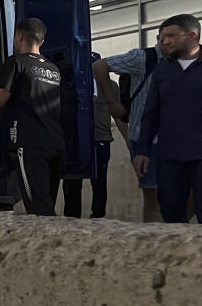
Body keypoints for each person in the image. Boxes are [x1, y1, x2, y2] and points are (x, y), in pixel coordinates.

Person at [0, 18, 63, 216]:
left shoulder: (16, 62)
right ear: (42, 40)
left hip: (30, 144)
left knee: (37, 209)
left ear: (19, 36)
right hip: (56, 142)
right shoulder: (53, 69)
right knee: (47, 203)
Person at [133, 14, 202, 224]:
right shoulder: (162, 69)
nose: (164, 41)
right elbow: (151, 113)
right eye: (162, 37)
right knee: (171, 211)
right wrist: (142, 150)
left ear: (192, 35)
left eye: (170, 36)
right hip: (169, 155)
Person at [92, 38, 165, 222]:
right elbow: (119, 112)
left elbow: (119, 116)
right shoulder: (143, 59)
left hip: (109, 137)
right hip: (141, 139)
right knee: (152, 197)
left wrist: (126, 139)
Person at [62, 75, 117, 218]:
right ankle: (72, 217)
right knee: (73, 181)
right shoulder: (71, 84)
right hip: (77, 139)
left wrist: (128, 138)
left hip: (99, 139)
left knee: (99, 182)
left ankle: (98, 216)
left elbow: (116, 113)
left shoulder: (110, 85)